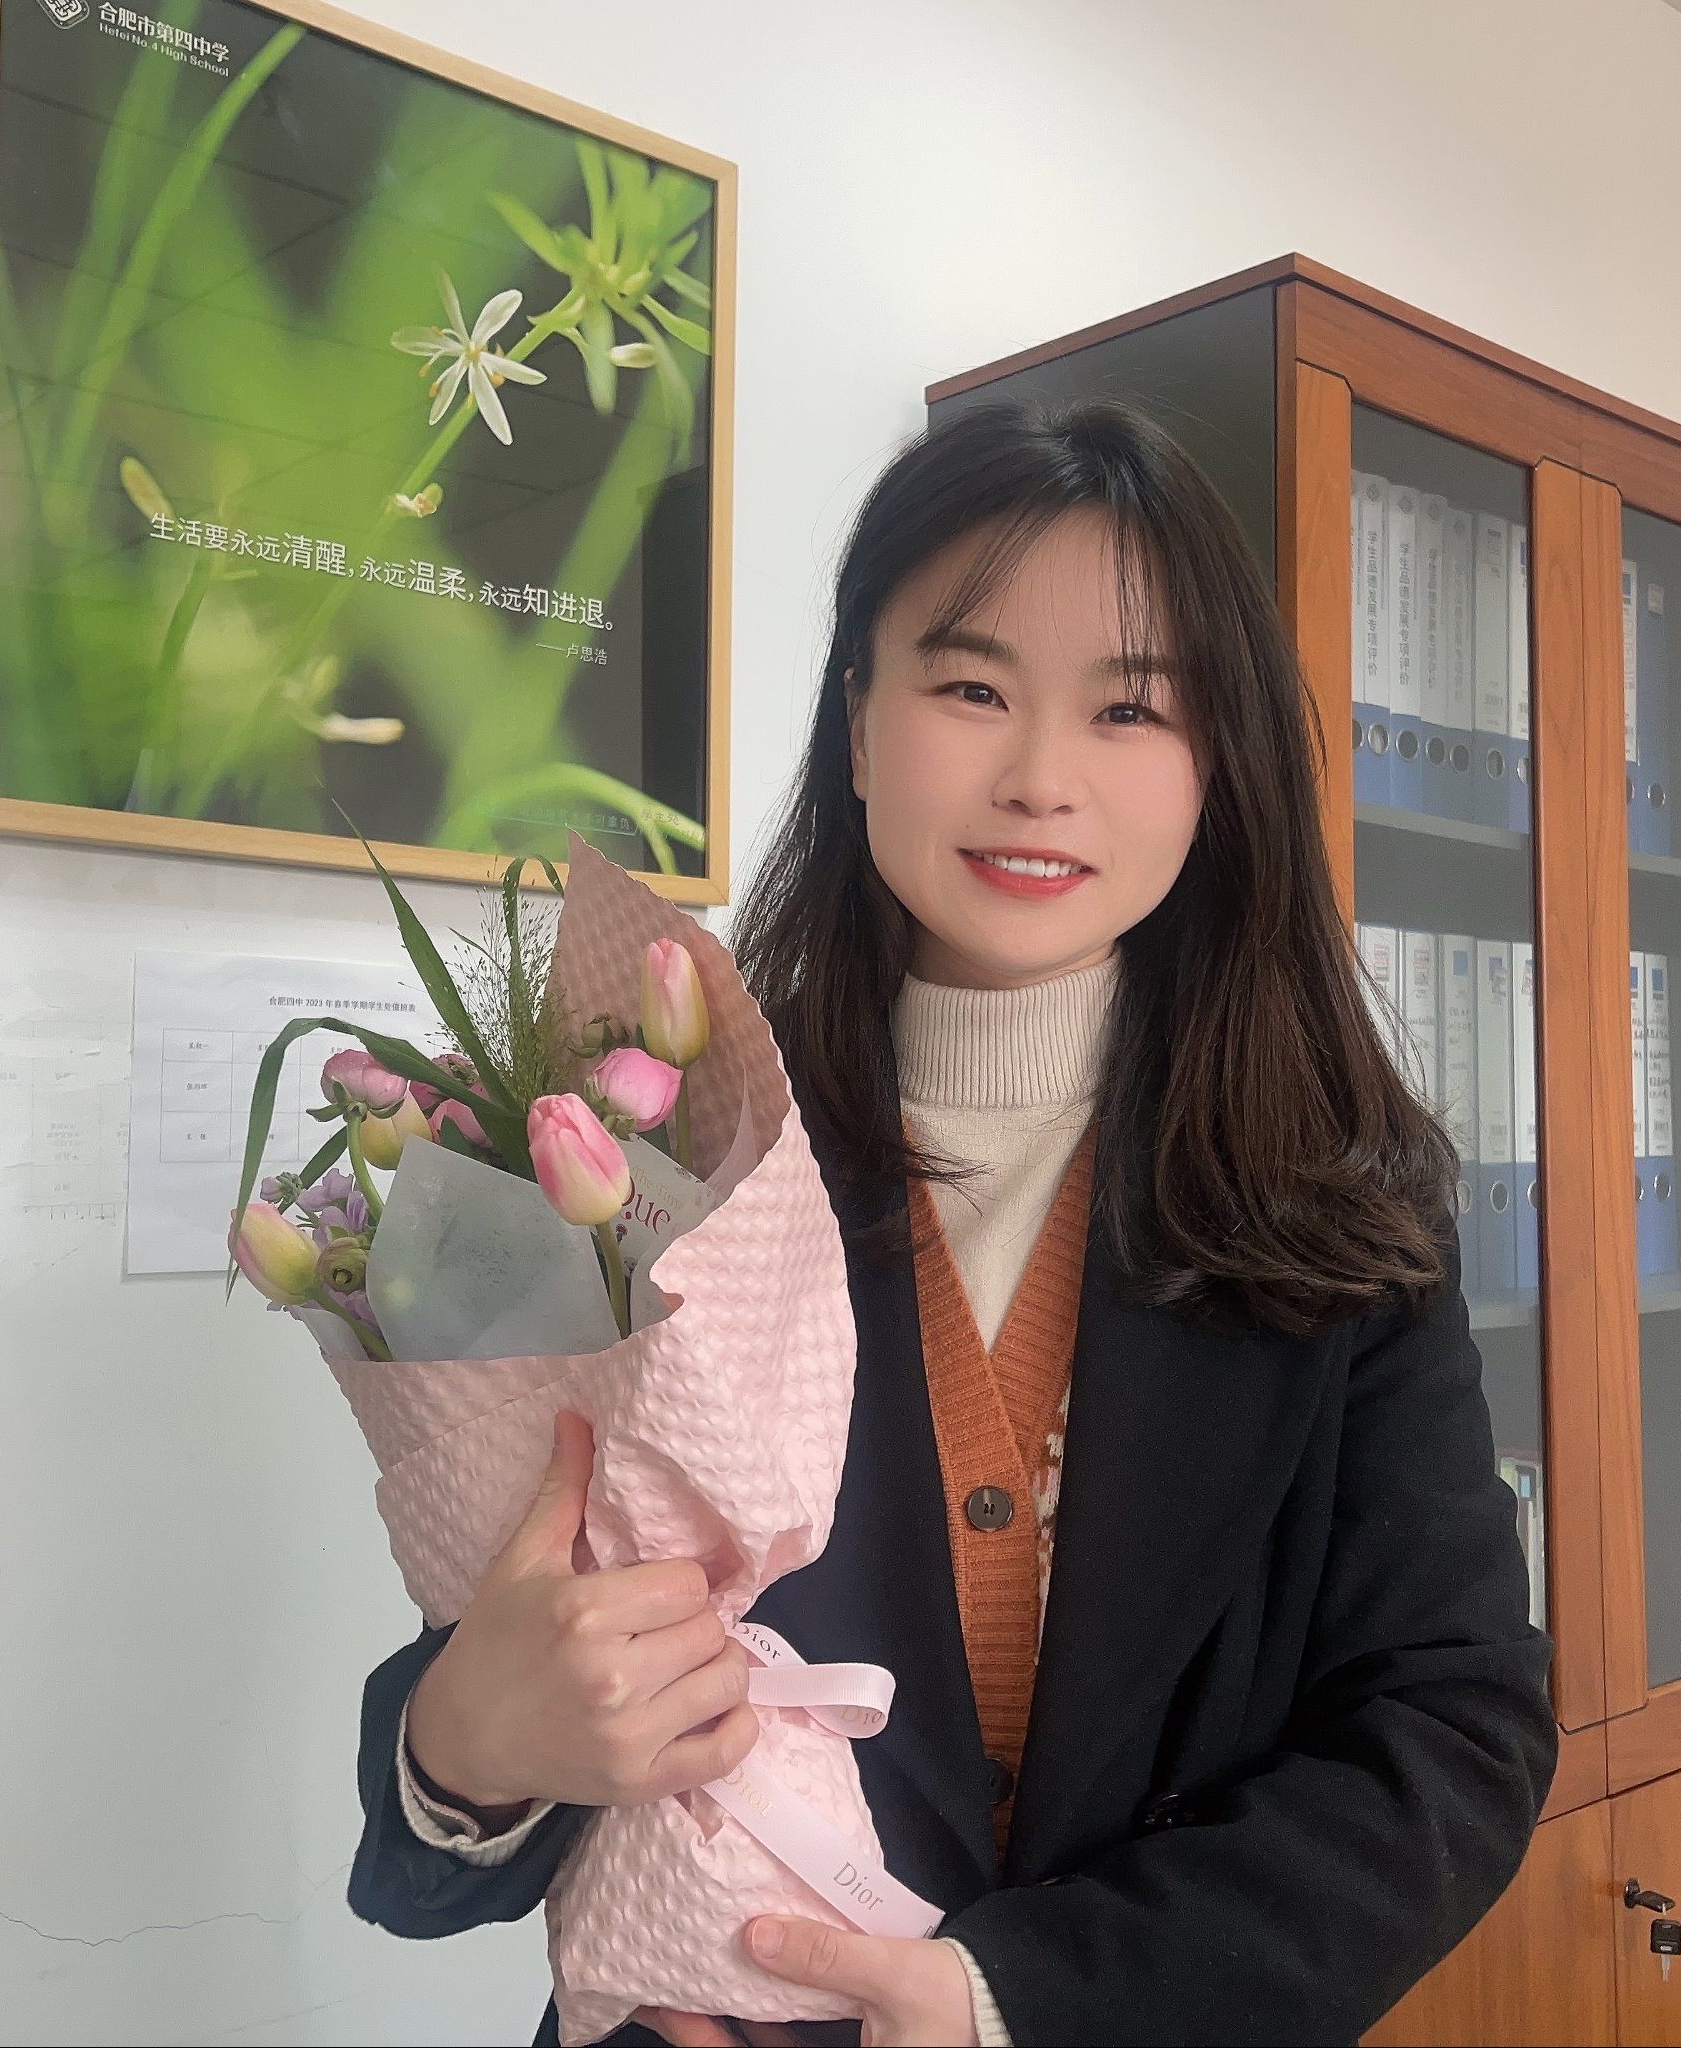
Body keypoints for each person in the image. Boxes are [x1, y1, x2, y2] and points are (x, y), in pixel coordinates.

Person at [347, 398, 1557, 2045]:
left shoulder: (1341, 1198)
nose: (1040, 778)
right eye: (971, 688)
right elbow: (485, 1693)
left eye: (1129, 708)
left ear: (1215, 766)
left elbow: (1448, 1728)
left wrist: (1012, 2000)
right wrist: (464, 1749)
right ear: (859, 726)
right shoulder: (649, 1143)